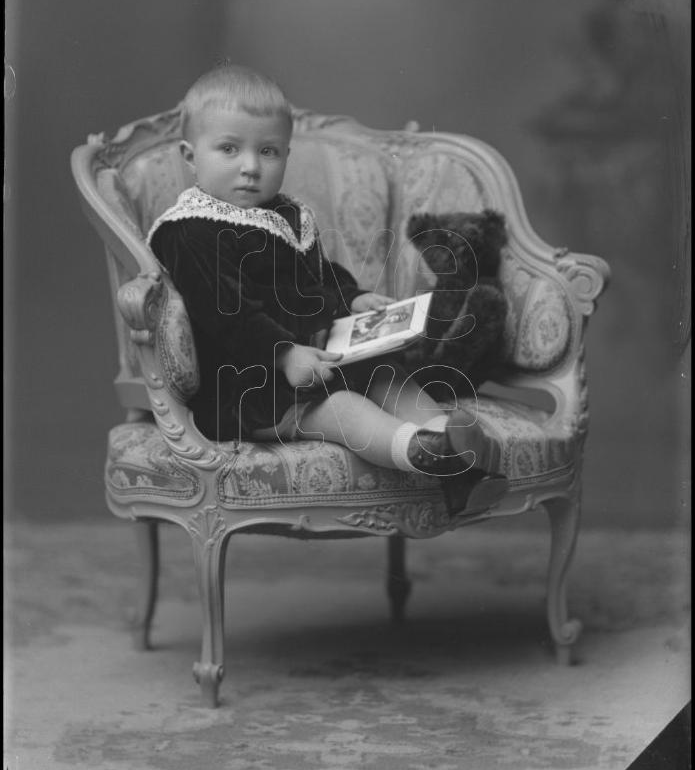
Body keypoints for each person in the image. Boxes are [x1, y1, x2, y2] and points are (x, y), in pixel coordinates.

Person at [147, 64, 508, 517]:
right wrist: (284, 354)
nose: (251, 167)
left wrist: (353, 298)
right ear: (189, 155)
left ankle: (452, 445)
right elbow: (226, 314)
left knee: (386, 374)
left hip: (321, 353)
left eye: (269, 151)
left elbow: (317, 274)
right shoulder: (190, 231)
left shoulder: (284, 214)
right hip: (252, 381)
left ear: (286, 154)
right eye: (228, 149)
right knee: (340, 407)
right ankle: (421, 451)